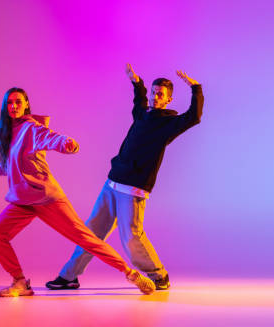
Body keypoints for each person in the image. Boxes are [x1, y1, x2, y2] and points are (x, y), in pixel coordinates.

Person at [0, 87, 155, 297]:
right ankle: (20, 282)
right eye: (10, 103)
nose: (14, 106)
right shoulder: (9, 133)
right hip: (23, 201)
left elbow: (52, 138)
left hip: (47, 199)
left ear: (26, 104)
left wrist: (67, 144)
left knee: (86, 239)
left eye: (18, 102)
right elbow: (7, 168)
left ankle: (130, 274)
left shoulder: (31, 128)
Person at [46, 64, 203, 291]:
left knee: (132, 238)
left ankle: (159, 276)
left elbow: (194, 117)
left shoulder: (169, 124)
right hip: (112, 183)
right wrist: (137, 83)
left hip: (134, 189)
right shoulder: (142, 114)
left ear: (168, 100)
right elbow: (138, 102)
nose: (155, 97)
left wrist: (195, 88)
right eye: (153, 92)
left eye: (160, 95)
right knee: (90, 232)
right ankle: (69, 276)